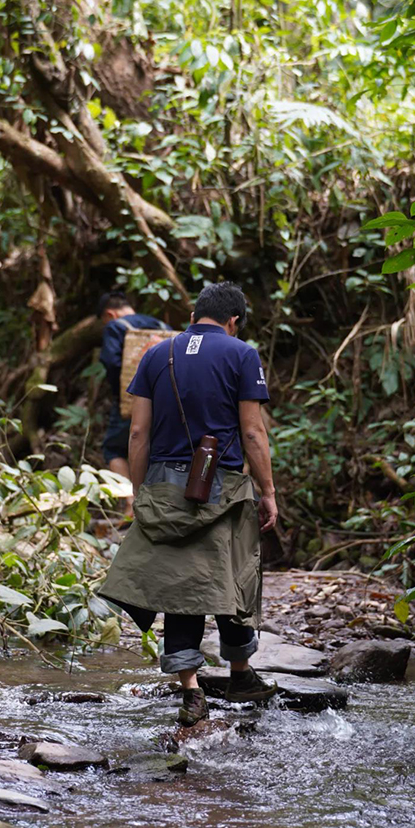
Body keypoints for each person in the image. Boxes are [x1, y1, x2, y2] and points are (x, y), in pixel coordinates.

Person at [99, 281, 278, 726]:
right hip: (223, 483)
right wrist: (269, 490)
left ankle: (191, 691)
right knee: (233, 574)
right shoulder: (241, 354)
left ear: (196, 313)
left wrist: (142, 492)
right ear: (233, 320)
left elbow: (137, 433)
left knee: (179, 587)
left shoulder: (157, 354)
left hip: (163, 480)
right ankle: (240, 674)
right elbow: (252, 431)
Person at [98, 289, 170, 513]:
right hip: (168, 401)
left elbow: (111, 362)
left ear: (110, 314)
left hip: (132, 401)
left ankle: (132, 504)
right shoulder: (162, 327)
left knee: (113, 449)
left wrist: (121, 390)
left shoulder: (115, 327)